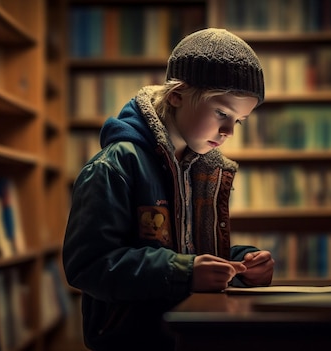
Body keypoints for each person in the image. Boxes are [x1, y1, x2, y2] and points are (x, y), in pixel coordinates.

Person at [62, 28, 275, 351]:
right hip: (132, 342)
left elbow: (186, 252)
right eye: (222, 112)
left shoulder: (200, 166)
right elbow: (87, 266)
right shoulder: (115, 165)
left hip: (189, 335)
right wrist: (185, 272)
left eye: (240, 120)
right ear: (177, 95)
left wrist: (240, 264)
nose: (229, 131)